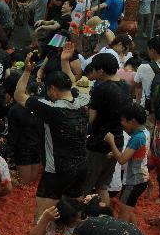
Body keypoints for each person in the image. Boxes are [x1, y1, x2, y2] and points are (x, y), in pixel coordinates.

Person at [14, 50, 89, 223]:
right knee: (74, 213)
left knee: (43, 215)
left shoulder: (50, 108)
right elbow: (72, 82)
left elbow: (19, 95)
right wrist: (65, 62)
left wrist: (26, 71)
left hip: (57, 169)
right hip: (82, 166)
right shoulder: (83, 100)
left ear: (52, 89)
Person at [83, 52, 132, 205]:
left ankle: (75, 221)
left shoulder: (101, 88)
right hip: (117, 140)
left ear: (101, 70)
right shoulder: (125, 86)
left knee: (84, 185)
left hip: (99, 141)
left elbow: (91, 119)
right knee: (102, 186)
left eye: (95, 69)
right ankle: (106, 217)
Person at [104, 103, 149, 225]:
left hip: (133, 181)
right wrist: (115, 153)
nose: (122, 124)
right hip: (140, 178)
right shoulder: (144, 132)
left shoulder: (136, 138)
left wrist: (111, 142)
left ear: (133, 121)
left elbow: (122, 160)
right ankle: (135, 234)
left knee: (122, 215)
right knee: (129, 210)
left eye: (123, 121)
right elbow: (134, 154)